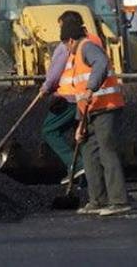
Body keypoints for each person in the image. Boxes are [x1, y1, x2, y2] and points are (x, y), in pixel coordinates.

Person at [71, 27, 131, 217]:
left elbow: (102, 63)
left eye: (65, 45)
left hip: (106, 108)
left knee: (107, 150)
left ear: (70, 40)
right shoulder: (76, 58)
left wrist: (91, 88)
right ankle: (97, 199)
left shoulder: (88, 47)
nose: (65, 49)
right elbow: (80, 94)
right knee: (89, 152)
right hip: (90, 112)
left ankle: (118, 201)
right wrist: (79, 124)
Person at [40, 11, 87, 186]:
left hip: (69, 98)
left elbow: (55, 73)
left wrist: (46, 88)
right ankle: (84, 179)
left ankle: (77, 166)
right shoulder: (92, 42)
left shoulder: (65, 46)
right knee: (81, 137)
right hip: (86, 97)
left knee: (49, 130)